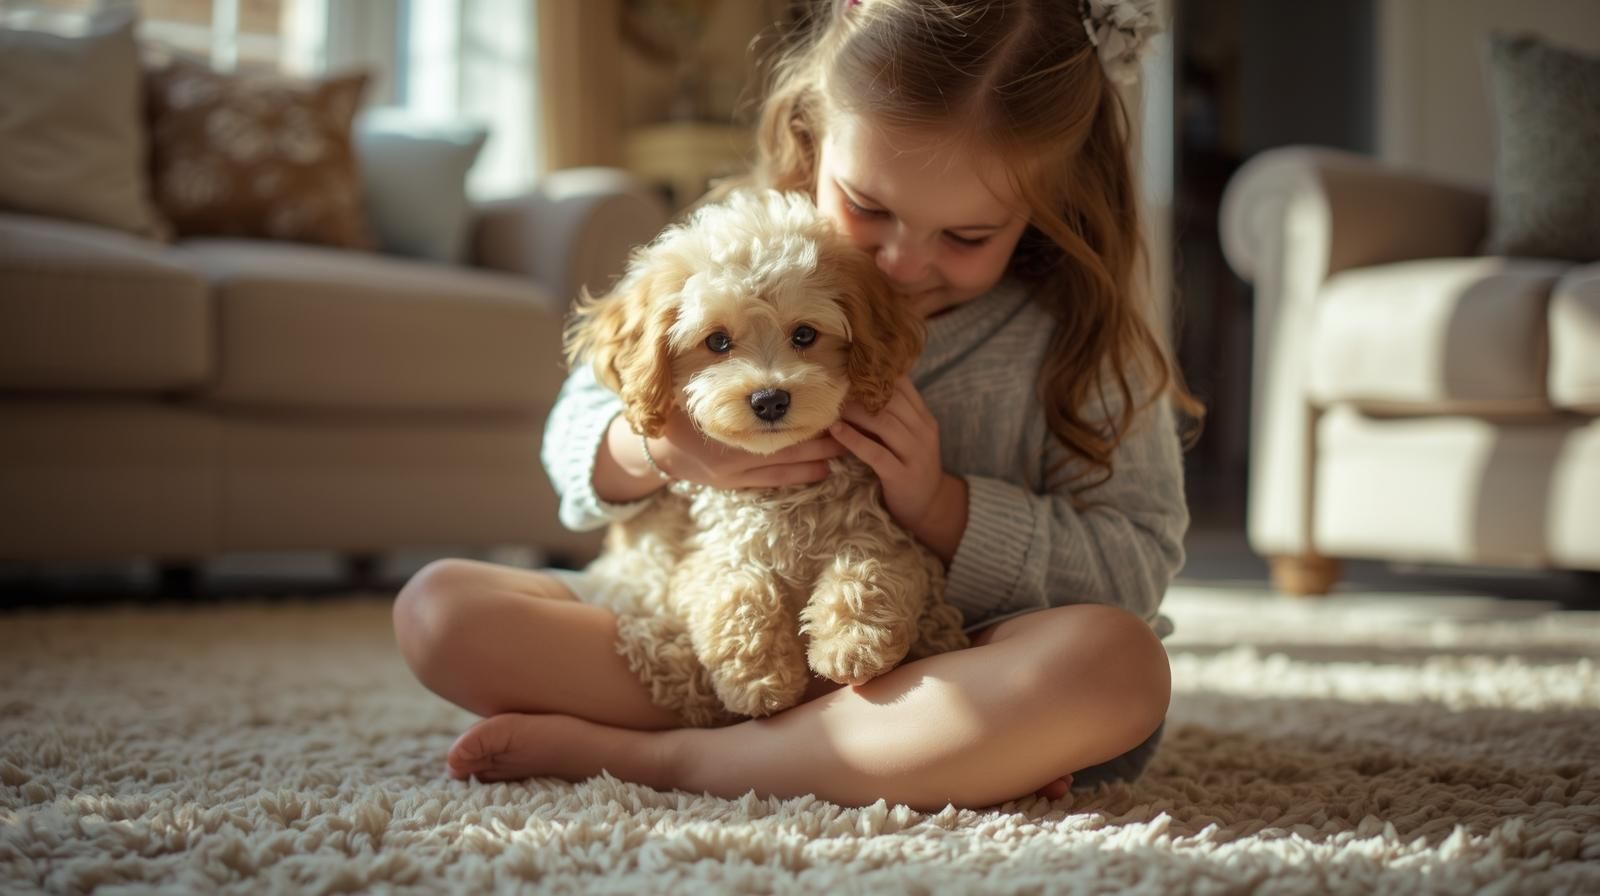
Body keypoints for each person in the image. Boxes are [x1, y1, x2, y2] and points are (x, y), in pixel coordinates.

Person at [392, 0, 1202, 812]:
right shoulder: (736, 253)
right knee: (439, 612)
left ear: (1046, 203)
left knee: (1117, 666)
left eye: (967, 237)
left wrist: (942, 508)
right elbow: (575, 428)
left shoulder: (1085, 342)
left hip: (938, 665)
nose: (902, 262)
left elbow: (1134, 565)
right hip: (711, 639)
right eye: (869, 207)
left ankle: (671, 760)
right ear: (814, 136)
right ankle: (888, 757)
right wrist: (660, 450)